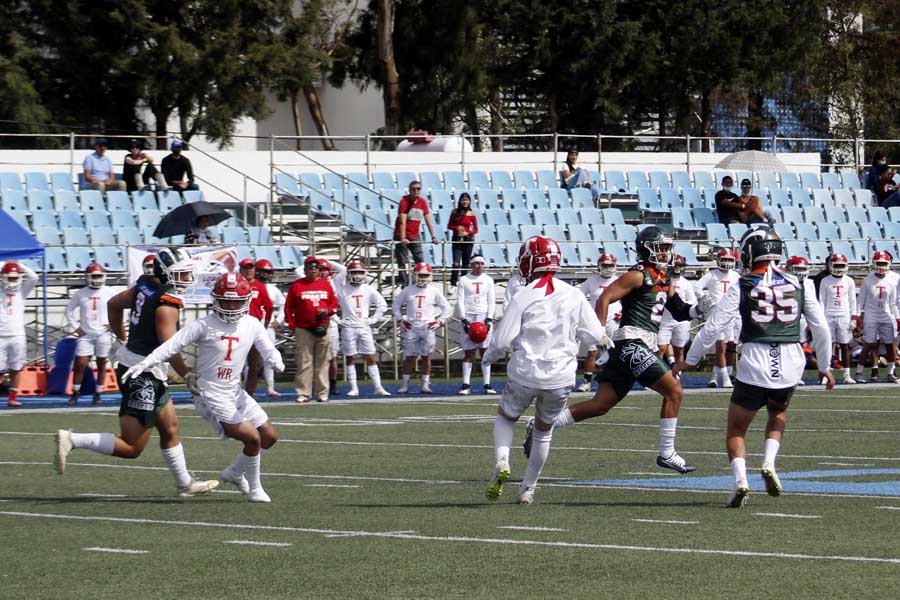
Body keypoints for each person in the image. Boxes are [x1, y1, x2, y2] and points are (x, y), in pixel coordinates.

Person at [525, 226, 710, 473]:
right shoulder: (637, 275)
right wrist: (599, 331)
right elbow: (605, 298)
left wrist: (701, 309)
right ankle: (667, 453)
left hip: (639, 345)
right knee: (674, 390)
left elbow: (679, 310)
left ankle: (540, 423)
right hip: (631, 342)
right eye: (662, 247)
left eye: (667, 248)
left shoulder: (663, 278)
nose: (666, 252)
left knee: (600, 405)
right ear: (648, 248)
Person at [674, 226, 835, 508]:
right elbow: (821, 328)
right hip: (790, 362)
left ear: (750, 252)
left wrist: (692, 357)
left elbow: (714, 327)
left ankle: (741, 482)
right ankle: (769, 464)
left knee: (736, 429)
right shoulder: (801, 283)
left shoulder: (743, 284)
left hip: (755, 361)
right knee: (778, 412)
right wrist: (824, 365)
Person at [54, 248, 219, 497]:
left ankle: (185, 483)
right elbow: (169, 347)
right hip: (142, 372)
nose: (186, 278)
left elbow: (114, 304)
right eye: (180, 274)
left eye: (187, 273)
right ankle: (72, 440)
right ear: (165, 274)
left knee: (170, 427)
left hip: (143, 366)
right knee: (132, 446)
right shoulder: (166, 304)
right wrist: (186, 374)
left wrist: (122, 338)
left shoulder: (147, 284)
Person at [121, 272, 284, 503]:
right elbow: (170, 346)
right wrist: (145, 363)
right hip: (210, 392)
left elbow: (267, 347)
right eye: (225, 300)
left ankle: (235, 473)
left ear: (246, 300)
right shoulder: (204, 325)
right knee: (253, 439)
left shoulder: (252, 323)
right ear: (216, 299)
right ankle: (255, 488)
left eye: (235, 301)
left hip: (234, 390)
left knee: (269, 436)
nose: (230, 306)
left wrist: (275, 359)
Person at [482, 235, 608, 504]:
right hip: (561, 377)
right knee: (543, 431)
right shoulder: (574, 293)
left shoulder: (523, 294)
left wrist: (488, 358)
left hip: (525, 372)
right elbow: (595, 334)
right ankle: (528, 487)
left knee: (505, 418)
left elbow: (502, 340)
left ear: (529, 262)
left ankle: (502, 460)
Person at [284, 257, 339, 403]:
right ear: (305, 270)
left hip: (323, 326)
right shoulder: (297, 285)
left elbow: (334, 303)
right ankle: (303, 393)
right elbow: (288, 307)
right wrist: (292, 325)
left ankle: (322, 392)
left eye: (316, 268)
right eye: (310, 268)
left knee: (322, 362)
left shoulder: (325, 284)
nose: (313, 271)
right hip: (303, 328)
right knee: (304, 362)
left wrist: (327, 311)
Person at [334, 259, 390, 396]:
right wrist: (337, 320)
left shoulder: (369, 289)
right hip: (349, 327)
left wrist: (374, 318)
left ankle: (378, 387)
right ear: (349, 273)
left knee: (370, 356)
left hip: (364, 326)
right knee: (350, 357)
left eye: (360, 272)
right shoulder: (342, 290)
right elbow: (331, 306)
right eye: (355, 272)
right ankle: (354, 387)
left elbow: (382, 305)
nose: (357, 275)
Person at [64, 263, 118, 405]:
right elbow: (68, 311)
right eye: (94, 276)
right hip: (86, 334)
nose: (96, 278)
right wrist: (76, 327)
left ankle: (98, 393)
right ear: (88, 277)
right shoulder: (80, 293)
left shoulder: (110, 292)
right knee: (80, 364)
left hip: (103, 334)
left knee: (101, 363)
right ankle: (75, 393)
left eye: (99, 275)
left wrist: (113, 325)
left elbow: (121, 308)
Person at [393, 263, 451, 394]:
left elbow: (446, 307)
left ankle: (425, 384)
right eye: (421, 275)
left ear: (430, 276)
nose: (423, 278)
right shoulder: (408, 290)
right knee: (409, 357)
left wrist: (439, 321)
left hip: (427, 326)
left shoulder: (434, 290)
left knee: (426, 356)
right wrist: (400, 319)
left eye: (425, 275)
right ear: (415, 275)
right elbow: (396, 305)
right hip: (412, 326)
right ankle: (405, 384)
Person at [694, 248, 741, 388]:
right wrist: (708, 301)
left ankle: (716, 376)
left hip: (733, 313)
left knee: (731, 346)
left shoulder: (736, 276)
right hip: (717, 314)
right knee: (720, 346)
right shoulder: (712, 274)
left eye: (729, 259)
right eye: (724, 259)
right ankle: (725, 378)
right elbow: (697, 288)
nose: (727, 262)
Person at [576, 253, 621, 391]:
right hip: (594, 321)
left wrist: (623, 312)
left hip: (613, 319)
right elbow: (578, 296)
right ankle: (587, 381)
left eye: (610, 265)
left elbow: (627, 299)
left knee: (614, 351)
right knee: (592, 351)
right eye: (605, 265)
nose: (607, 268)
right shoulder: (592, 280)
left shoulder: (619, 281)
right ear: (599, 266)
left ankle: (613, 379)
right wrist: (585, 314)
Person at [455, 255, 497, 395]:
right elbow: (460, 300)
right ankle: (466, 384)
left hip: (483, 316)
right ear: (471, 265)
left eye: (481, 263)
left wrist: (489, 318)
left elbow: (491, 300)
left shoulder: (488, 280)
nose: (479, 266)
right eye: (476, 263)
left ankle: (487, 384)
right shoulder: (464, 280)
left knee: (485, 351)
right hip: (469, 316)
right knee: (469, 352)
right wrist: (463, 318)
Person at [855, 250, 899, 383]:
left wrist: (897, 318)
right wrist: (857, 318)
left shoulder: (891, 281)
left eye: (883, 263)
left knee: (890, 344)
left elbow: (893, 303)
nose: (881, 266)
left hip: (886, 316)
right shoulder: (868, 280)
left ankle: (891, 373)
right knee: (869, 344)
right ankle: (859, 372)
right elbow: (860, 300)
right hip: (871, 316)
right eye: (878, 263)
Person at [0, 261, 38, 407]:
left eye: (15, 278)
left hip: (17, 335)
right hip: (1, 335)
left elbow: (33, 277)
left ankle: (13, 397)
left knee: (16, 368)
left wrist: (18, 265)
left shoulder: (22, 291)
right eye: (10, 278)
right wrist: (4, 264)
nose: (13, 281)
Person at [237, 258, 273, 396]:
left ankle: (249, 392)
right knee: (235, 361)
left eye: (251, 268)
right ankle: (232, 390)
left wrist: (264, 326)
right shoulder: (236, 284)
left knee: (254, 363)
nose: (248, 270)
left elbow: (269, 307)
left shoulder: (259, 286)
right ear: (240, 270)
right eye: (245, 268)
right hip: (237, 327)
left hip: (253, 328)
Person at [393, 181, 438, 286]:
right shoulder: (404, 201)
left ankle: (422, 282)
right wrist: (403, 237)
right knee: (402, 262)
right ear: (410, 190)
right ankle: (405, 284)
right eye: (414, 189)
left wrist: (433, 236)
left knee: (420, 260)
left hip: (414, 235)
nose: (416, 191)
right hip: (401, 235)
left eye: (418, 188)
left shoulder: (422, 202)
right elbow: (402, 221)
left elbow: (428, 221)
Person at [657, 254, 696, 374]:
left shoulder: (686, 283)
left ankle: (677, 373)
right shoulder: (662, 281)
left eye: (680, 265)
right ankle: (657, 375)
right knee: (660, 349)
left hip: (681, 321)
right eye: (675, 264)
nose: (677, 267)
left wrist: (684, 309)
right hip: (664, 319)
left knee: (680, 350)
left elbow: (692, 301)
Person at [255, 259, 286, 397]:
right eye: (263, 271)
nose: (265, 274)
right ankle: (246, 387)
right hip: (252, 325)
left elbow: (283, 305)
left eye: (268, 272)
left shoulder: (273, 289)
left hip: (267, 327)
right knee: (247, 359)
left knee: (269, 357)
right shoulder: (250, 286)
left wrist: (278, 320)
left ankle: (270, 387)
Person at [317, 259, 344, 394]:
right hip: (316, 321)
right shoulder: (313, 282)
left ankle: (333, 384)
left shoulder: (335, 282)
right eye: (320, 269)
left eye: (324, 269)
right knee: (317, 356)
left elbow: (343, 269)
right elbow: (299, 271)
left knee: (333, 355)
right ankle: (317, 384)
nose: (322, 272)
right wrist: (315, 261)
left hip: (332, 321)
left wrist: (327, 261)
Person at [446, 192, 478, 286]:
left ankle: (463, 283)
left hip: (468, 240)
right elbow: (449, 225)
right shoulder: (454, 212)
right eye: (463, 200)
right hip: (456, 239)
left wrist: (468, 232)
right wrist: (457, 228)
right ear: (460, 201)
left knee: (465, 262)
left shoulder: (471, 214)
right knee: (456, 262)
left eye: (467, 200)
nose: (465, 202)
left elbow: (476, 229)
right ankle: (453, 283)